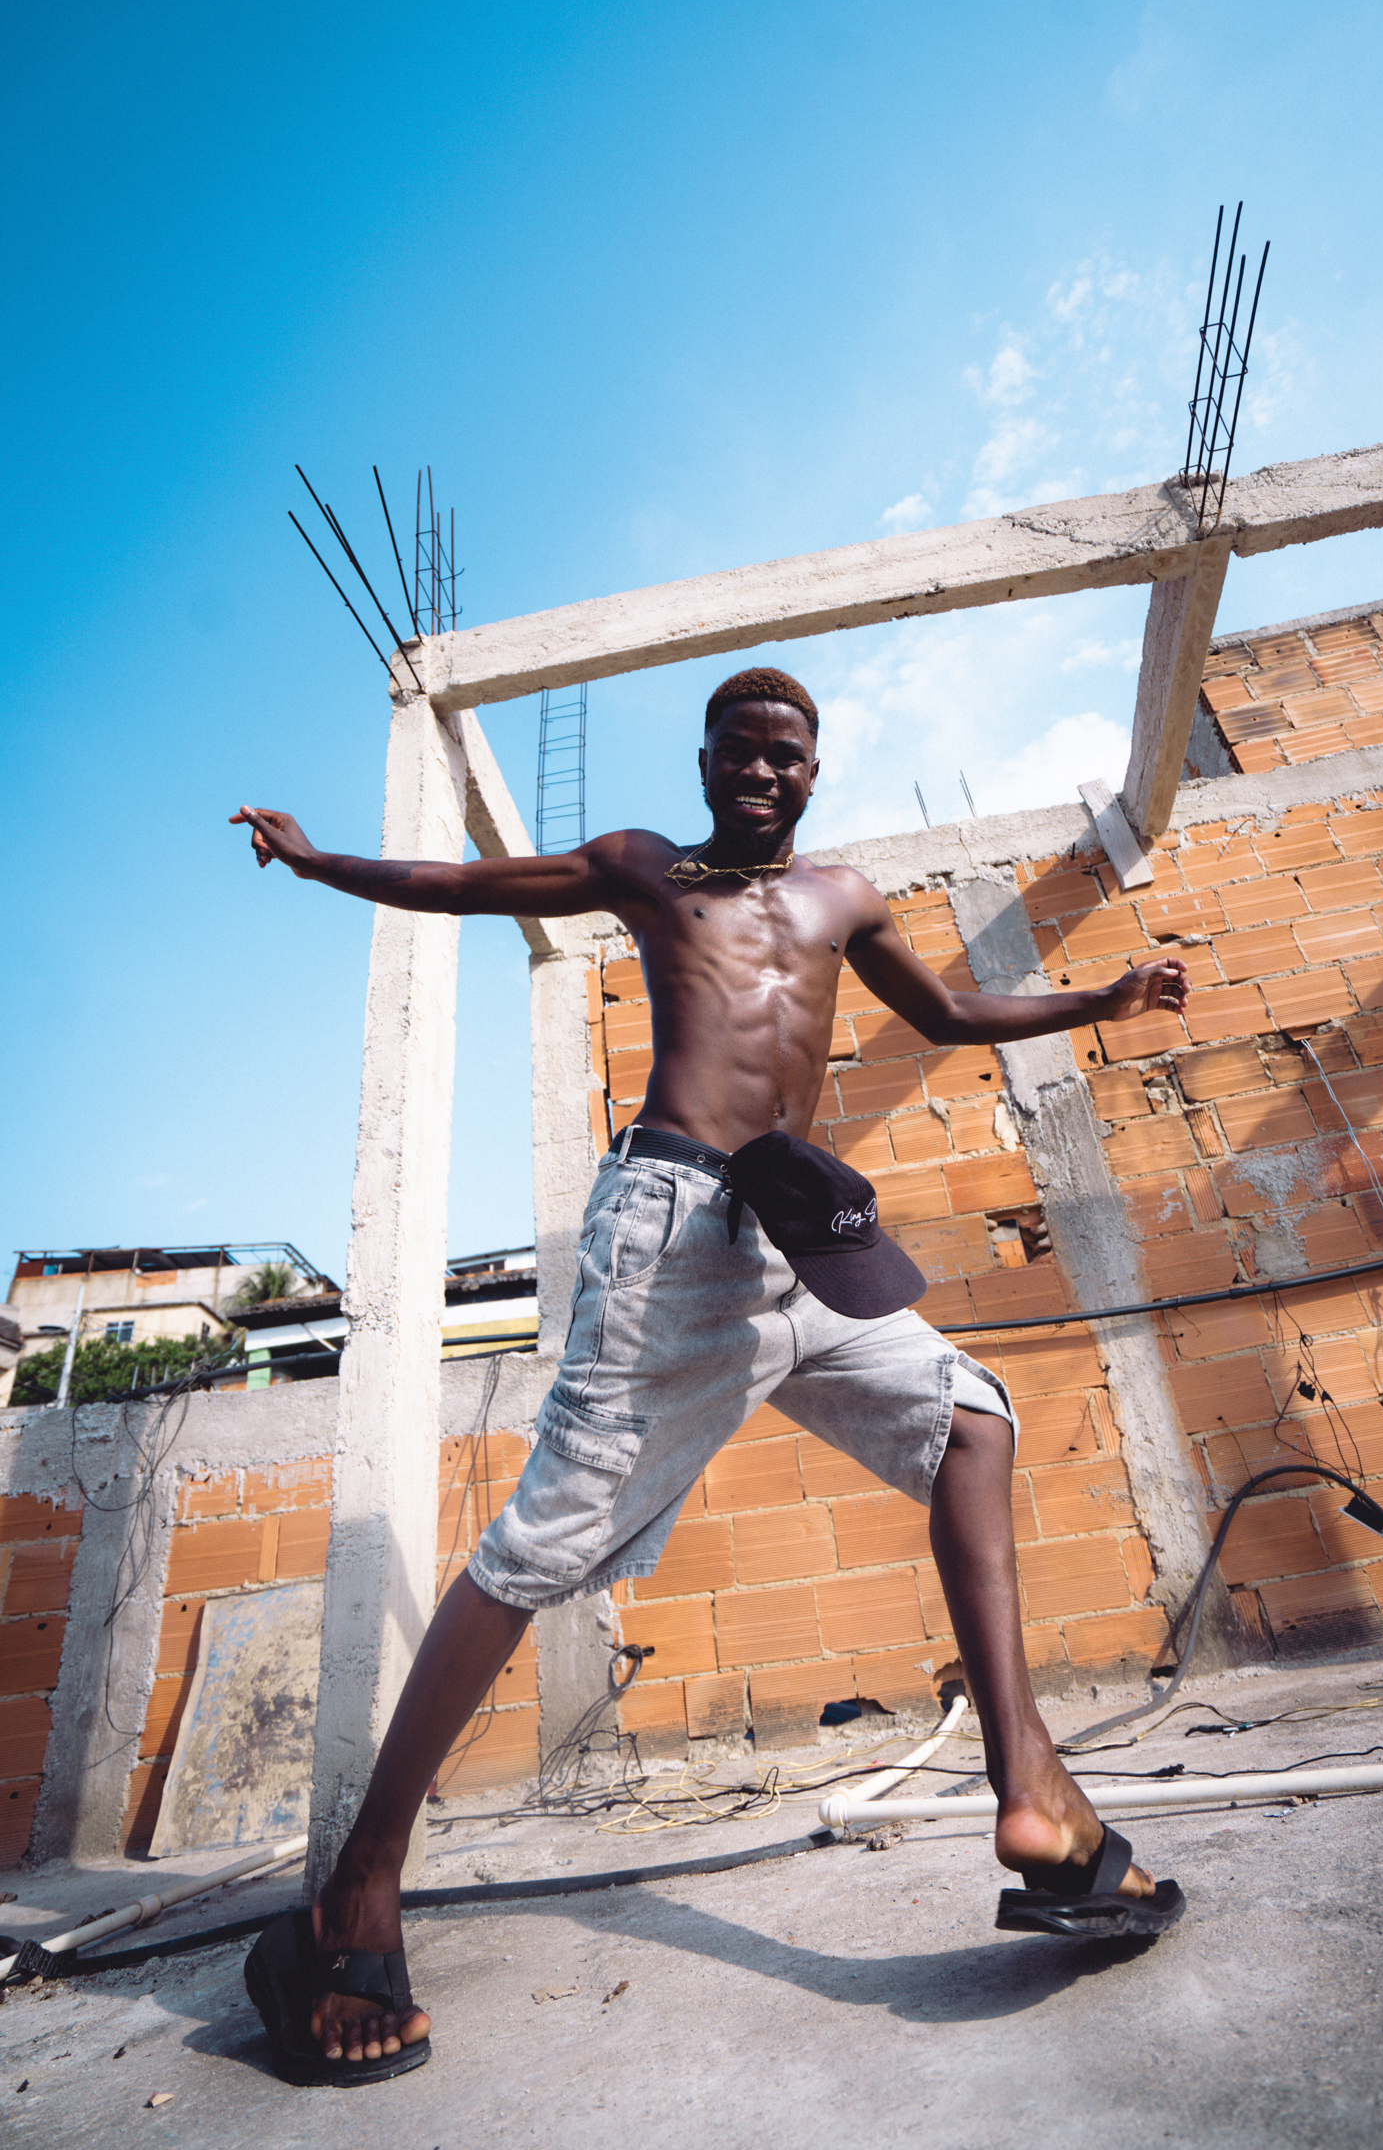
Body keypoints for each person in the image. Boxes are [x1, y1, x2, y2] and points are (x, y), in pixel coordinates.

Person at [231, 665, 1189, 2087]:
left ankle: (1035, 1796)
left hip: (801, 1230)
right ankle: (357, 1891)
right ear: (704, 761)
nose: (759, 771)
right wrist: (321, 864)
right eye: (737, 750)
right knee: (542, 1548)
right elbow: (467, 881)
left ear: (813, 771)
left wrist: (1099, 996)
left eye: (783, 754)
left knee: (971, 1420)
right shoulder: (642, 868)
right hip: (673, 1235)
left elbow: (946, 1016)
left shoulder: (845, 898)